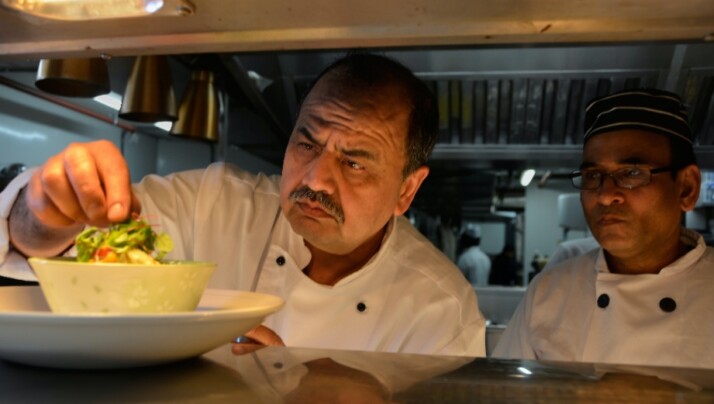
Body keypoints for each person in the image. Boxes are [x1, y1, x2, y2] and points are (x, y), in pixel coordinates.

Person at [0, 53, 486, 357]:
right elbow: (52, 248)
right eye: (307, 143)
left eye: (355, 163)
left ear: (406, 190)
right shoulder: (215, 202)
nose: (316, 179)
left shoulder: (440, 310)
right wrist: (43, 212)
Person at [493, 88, 714, 368]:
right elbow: (505, 394)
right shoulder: (549, 294)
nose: (605, 195)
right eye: (592, 175)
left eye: (632, 173)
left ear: (687, 188)